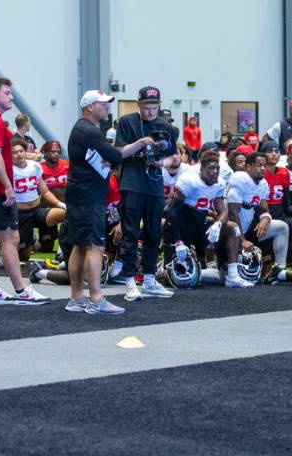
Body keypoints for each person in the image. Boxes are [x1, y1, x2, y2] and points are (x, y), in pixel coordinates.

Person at [65, 90, 150, 314]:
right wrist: (141, 143)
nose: (108, 108)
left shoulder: (82, 128)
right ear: (90, 106)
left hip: (80, 194)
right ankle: (96, 299)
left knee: (81, 245)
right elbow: (115, 156)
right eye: (104, 104)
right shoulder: (89, 130)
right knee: (95, 245)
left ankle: (76, 297)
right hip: (88, 196)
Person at [0, 77, 50, 305]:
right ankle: (21, 290)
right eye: (7, 93)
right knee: (10, 238)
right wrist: (8, 186)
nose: (12, 96)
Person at [111, 86, 177, 301]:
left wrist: (162, 162)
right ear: (138, 104)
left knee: (153, 232)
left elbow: (173, 157)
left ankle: (149, 278)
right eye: (146, 106)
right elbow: (118, 152)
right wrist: (140, 143)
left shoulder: (165, 126)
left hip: (155, 185)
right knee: (131, 232)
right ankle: (129, 280)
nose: (150, 111)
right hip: (132, 183)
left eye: (154, 106)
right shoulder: (127, 121)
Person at [165, 151, 237, 286]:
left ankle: (232, 274)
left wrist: (218, 224)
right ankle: (161, 270)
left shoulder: (219, 183)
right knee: (181, 280)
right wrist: (178, 241)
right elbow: (173, 213)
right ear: (202, 169)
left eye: (217, 169)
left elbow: (223, 212)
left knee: (231, 227)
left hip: (201, 226)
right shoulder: (189, 180)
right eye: (210, 168)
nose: (214, 172)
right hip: (182, 225)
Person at [225, 152, 291, 287]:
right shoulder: (239, 179)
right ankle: (204, 273)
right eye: (259, 165)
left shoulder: (262, 184)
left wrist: (265, 219)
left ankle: (279, 270)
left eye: (264, 166)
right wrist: (242, 240)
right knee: (222, 276)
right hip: (230, 232)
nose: (262, 168)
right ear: (248, 166)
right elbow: (233, 213)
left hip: (248, 229)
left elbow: (264, 209)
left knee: (282, 227)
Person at [11, 139, 65, 261]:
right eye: (15, 152)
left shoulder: (34, 166)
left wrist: (59, 203)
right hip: (20, 214)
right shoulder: (7, 170)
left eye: (21, 151)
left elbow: (45, 191)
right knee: (24, 256)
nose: (19, 154)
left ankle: (63, 250)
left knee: (66, 213)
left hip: (37, 210)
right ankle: (30, 242)